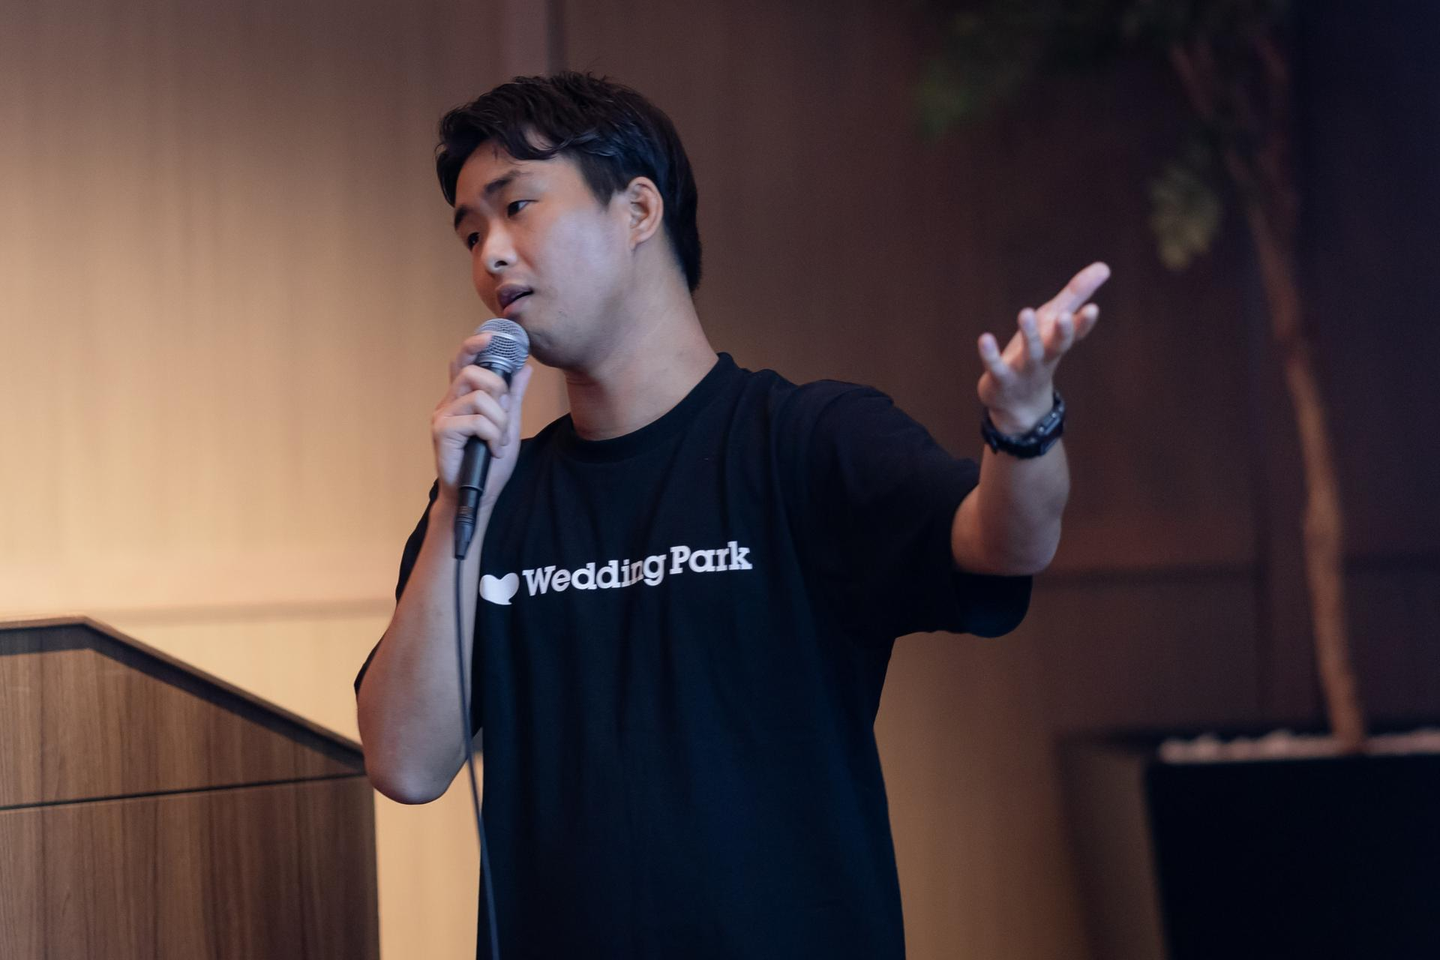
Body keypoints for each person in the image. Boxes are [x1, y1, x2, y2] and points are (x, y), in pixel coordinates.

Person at [354, 71, 1106, 959]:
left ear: (639, 210)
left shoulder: (804, 440)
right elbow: (404, 764)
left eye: (517, 207)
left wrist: (1024, 427)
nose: (491, 256)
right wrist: (456, 507)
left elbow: (1004, 541)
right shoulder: (490, 496)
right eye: (471, 233)